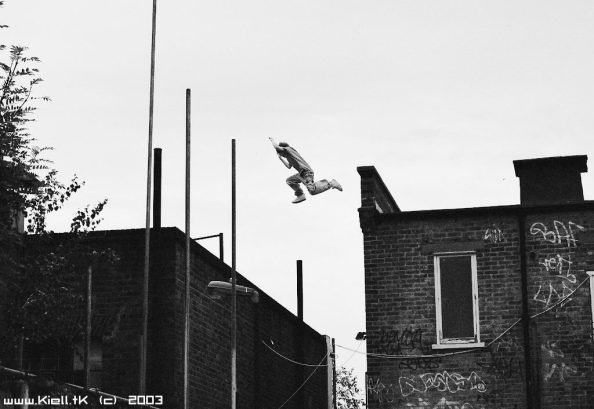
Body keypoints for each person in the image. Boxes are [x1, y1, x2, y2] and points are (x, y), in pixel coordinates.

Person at [269, 137, 342, 203]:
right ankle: (300, 195)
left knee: (312, 190)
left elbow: (277, 147)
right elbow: (288, 166)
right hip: (301, 174)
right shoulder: (289, 157)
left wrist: (272, 140)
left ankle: (331, 183)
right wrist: (280, 159)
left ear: (283, 150)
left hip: (307, 172)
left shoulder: (289, 150)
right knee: (289, 180)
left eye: (282, 155)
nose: (283, 156)